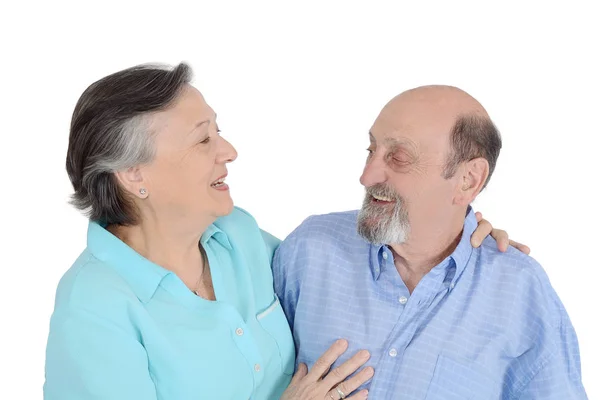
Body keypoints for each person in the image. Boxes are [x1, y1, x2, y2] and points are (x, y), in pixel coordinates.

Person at [44, 63, 520, 400]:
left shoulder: (236, 236)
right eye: (202, 138)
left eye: (219, 130)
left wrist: (454, 226)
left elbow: (344, 259)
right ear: (133, 174)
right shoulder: (94, 309)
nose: (228, 150)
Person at [273, 85, 587, 399]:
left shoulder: (520, 292)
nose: (367, 176)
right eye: (372, 151)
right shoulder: (309, 251)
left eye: (398, 157)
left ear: (468, 180)